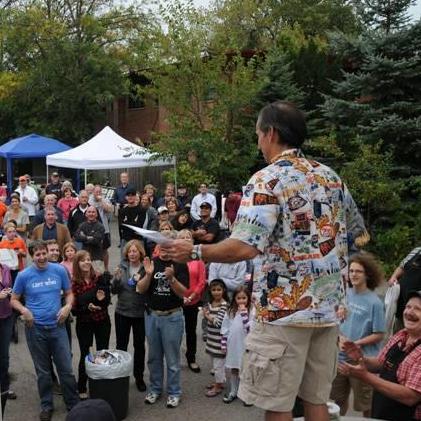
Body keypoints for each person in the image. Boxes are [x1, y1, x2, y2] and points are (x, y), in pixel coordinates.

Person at [162, 101, 366, 421]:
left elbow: (244, 247)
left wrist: (195, 252)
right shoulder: (331, 177)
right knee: (317, 401)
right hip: (328, 310)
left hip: (283, 312)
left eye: (258, 134)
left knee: (278, 404)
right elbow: (358, 234)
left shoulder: (266, 180)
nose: (258, 141)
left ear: (270, 133)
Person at [11, 240, 79, 421]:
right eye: (37, 254)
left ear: (48, 253)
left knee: (66, 369)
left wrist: (67, 307)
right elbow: (14, 299)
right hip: (35, 329)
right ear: (32, 256)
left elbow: (69, 293)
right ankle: (47, 405)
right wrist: (24, 310)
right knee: (43, 372)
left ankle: (73, 404)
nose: (41, 257)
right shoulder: (24, 275)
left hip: (58, 327)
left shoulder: (59, 270)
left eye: (44, 253)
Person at [339, 290, 421, 421]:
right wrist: (360, 358)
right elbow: (381, 363)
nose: (409, 312)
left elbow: (410, 397)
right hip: (381, 413)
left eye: (418, 309)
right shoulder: (401, 335)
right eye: (408, 306)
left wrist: (365, 376)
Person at [135, 232, 189, 409]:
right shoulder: (151, 263)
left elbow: (183, 293)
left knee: (172, 360)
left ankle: (174, 393)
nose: (165, 249)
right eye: (162, 245)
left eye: (168, 245)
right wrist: (148, 274)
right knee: (154, 358)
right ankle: (155, 389)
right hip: (152, 316)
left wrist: (172, 278)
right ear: (158, 246)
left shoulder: (180, 264)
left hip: (172, 317)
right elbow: (140, 289)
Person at [330, 252, 386, 417]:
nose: (353, 274)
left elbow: (379, 334)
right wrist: (339, 337)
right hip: (340, 357)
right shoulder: (344, 294)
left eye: (358, 271)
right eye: (351, 271)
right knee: (339, 399)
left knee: (365, 404)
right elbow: (336, 320)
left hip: (361, 359)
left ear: (367, 274)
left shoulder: (375, 302)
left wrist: (356, 344)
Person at [71, 250, 111, 400]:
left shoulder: (99, 278)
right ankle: (82, 386)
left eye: (88, 259)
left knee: (102, 353)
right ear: (77, 263)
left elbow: (106, 301)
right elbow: (74, 310)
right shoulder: (74, 283)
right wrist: (87, 307)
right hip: (84, 323)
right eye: (83, 260)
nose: (87, 262)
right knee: (86, 354)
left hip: (102, 320)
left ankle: (101, 384)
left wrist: (101, 300)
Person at [111, 240, 147, 392]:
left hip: (140, 313)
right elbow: (113, 291)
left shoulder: (146, 268)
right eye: (130, 251)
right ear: (126, 253)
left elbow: (148, 289)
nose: (132, 254)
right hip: (122, 312)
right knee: (121, 346)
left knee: (139, 346)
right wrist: (116, 279)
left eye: (135, 251)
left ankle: (139, 377)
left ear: (140, 253)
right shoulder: (121, 267)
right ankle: (121, 376)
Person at [177, 230, 206, 373]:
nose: (185, 239)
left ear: (192, 241)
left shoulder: (197, 259)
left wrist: (193, 295)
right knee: (175, 332)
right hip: (176, 300)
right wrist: (180, 296)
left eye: (188, 237)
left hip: (193, 300)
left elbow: (202, 281)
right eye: (182, 237)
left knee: (191, 331)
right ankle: (174, 358)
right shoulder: (175, 259)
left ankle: (191, 358)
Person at [221, 285, 253, 404]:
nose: (241, 301)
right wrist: (223, 343)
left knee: (245, 369)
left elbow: (249, 328)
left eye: (244, 298)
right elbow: (225, 327)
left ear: (248, 298)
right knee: (234, 368)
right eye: (238, 298)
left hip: (245, 344)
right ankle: (233, 391)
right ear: (234, 299)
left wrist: (244, 313)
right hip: (233, 344)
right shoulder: (231, 311)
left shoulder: (251, 311)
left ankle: (246, 394)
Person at [203, 279, 229, 398]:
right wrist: (207, 314)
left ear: (224, 291)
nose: (216, 292)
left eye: (219, 289)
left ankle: (218, 387)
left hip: (219, 342)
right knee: (216, 364)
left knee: (218, 366)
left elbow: (218, 323)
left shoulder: (224, 305)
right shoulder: (211, 303)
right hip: (212, 340)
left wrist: (207, 316)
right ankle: (220, 382)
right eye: (214, 290)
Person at [389, 247, 421, 331]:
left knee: (413, 334)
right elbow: (402, 267)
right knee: (397, 332)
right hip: (401, 303)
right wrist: (393, 277)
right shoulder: (417, 250)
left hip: (417, 310)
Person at [0, 263, 14, 416]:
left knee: (4, 356)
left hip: (7, 316)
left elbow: (10, 287)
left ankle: (4, 388)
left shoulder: (5, 268)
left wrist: (10, 292)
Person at [90, 185, 113, 271]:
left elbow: (109, 210)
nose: (98, 193)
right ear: (93, 192)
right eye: (96, 192)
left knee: (104, 250)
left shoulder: (105, 199)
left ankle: (106, 269)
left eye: (100, 192)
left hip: (104, 229)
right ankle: (93, 269)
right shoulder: (90, 200)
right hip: (92, 229)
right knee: (92, 250)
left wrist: (101, 200)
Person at [118, 187, 146, 252]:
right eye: (128, 195)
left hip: (138, 239)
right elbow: (121, 226)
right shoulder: (122, 211)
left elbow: (139, 225)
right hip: (125, 239)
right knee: (124, 258)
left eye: (132, 195)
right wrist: (133, 222)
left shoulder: (141, 210)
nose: (130, 197)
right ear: (126, 197)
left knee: (139, 257)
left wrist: (126, 223)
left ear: (136, 196)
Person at [113, 172, 135, 245]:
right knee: (120, 225)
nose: (124, 179)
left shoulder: (131, 188)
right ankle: (121, 240)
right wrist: (116, 203)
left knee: (129, 224)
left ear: (128, 178)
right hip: (120, 209)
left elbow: (135, 198)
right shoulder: (117, 189)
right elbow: (113, 199)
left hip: (129, 208)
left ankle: (130, 240)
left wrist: (129, 204)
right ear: (120, 179)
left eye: (125, 177)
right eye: (122, 177)